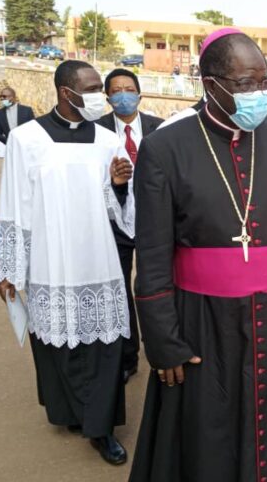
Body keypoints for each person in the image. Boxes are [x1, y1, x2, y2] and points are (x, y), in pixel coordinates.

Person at [129, 28, 267, 482]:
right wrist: (163, 341)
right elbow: (152, 254)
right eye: (244, 84)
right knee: (207, 436)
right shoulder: (165, 148)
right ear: (209, 84)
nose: (257, 94)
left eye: (263, 81)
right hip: (201, 322)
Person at [0, 60, 135, 466]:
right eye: (91, 89)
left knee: (105, 344)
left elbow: (122, 211)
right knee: (58, 345)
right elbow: (14, 206)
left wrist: (121, 188)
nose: (100, 97)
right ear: (65, 92)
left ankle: (101, 428)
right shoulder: (26, 138)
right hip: (50, 259)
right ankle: (73, 412)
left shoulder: (108, 140)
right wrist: (8, 267)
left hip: (98, 257)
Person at [97, 68, 164, 383]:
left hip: (155, 222)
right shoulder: (96, 133)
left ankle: (161, 347)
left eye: (128, 88)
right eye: (116, 90)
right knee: (119, 290)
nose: (123, 95)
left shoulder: (160, 129)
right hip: (116, 223)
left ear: (140, 94)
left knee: (154, 287)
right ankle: (127, 357)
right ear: (107, 97)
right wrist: (114, 184)